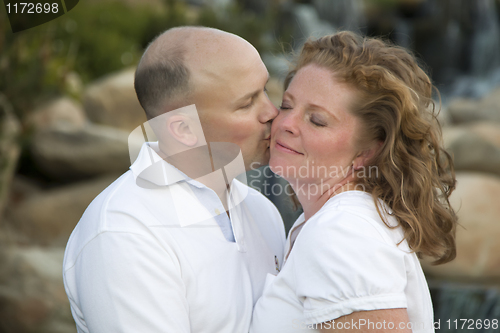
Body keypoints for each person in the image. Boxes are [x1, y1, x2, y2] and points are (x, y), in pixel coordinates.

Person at [63, 26, 286, 333]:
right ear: (183, 129)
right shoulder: (125, 233)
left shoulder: (263, 211)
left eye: (265, 90)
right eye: (247, 103)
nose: (272, 113)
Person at [250, 31, 457, 333]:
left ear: (369, 150)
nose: (285, 124)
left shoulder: (342, 233)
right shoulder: (330, 222)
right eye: (286, 105)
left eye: (317, 120)